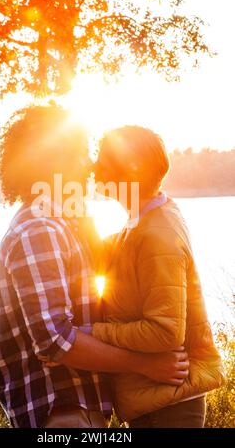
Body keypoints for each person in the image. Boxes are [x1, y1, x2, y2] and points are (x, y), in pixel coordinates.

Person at [0, 106, 190, 428]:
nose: (90, 165)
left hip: (78, 412)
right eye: (82, 154)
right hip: (60, 412)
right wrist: (146, 365)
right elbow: (56, 341)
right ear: (57, 160)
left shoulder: (62, 224)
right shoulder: (40, 229)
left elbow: (114, 261)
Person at [92, 125, 224, 428]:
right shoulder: (143, 222)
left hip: (169, 406)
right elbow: (120, 257)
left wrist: (93, 333)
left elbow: (164, 332)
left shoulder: (156, 234)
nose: (94, 167)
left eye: (103, 159)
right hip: (157, 401)